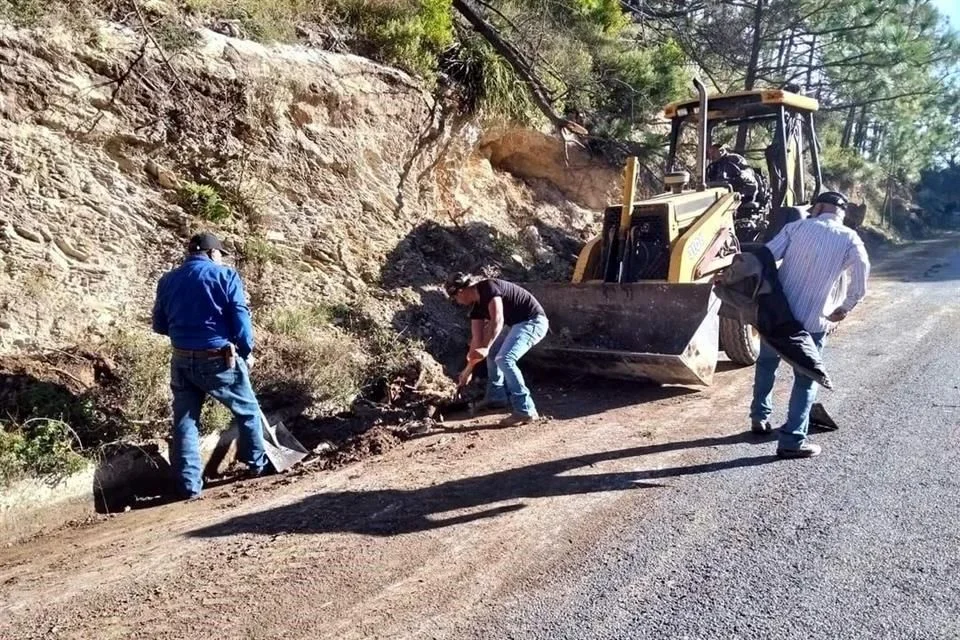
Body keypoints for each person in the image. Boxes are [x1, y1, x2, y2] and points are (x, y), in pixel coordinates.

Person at [749, 191, 871, 459]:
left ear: (818, 208)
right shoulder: (850, 239)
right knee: (805, 380)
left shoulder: (795, 227)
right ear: (841, 213)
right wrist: (844, 308)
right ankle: (792, 441)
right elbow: (861, 283)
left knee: (767, 364)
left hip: (777, 317)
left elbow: (765, 257)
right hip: (812, 324)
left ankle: (760, 417)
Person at [152, 232, 268, 499]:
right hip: (219, 357)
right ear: (213, 254)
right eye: (219, 254)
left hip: (181, 359)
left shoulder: (167, 280)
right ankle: (257, 466)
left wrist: (187, 337)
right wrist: (247, 350)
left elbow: (159, 325)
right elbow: (240, 318)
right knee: (248, 410)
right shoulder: (225, 276)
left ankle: (190, 487)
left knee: (185, 421)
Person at [444, 273, 549, 427]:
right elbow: (476, 342)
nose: (457, 302)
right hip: (515, 325)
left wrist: (485, 347)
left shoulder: (488, 287)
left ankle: (526, 410)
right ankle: (496, 396)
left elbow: (497, 320)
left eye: (455, 299)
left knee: (505, 358)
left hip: (533, 321)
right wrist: (467, 371)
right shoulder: (476, 309)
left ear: (460, 292)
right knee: (493, 355)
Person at [707, 144, 761, 209]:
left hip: (743, 192)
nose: (711, 156)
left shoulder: (734, 158)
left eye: (713, 152)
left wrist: (741, 176)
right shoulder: (712, 166)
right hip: (721, 194)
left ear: (721, 151)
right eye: (710, 154)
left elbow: (748, 171)